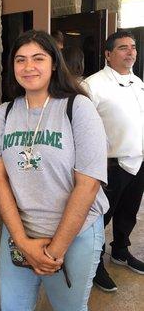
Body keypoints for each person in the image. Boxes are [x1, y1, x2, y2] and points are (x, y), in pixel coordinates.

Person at [0, 30, 109, 311]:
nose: (28, 67)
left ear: (54, 63)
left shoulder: (78, 108)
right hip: (19, 235)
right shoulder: (3, 114)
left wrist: (54, 251)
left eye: (38, 58)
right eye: (20, 60)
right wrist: (22, 242)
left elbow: (88, 185)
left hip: (74, 236)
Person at [83, 31, 144, 292]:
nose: (130, 52)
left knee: (128, 213)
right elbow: (83, 128)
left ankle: (120, 250)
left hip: (139, 160)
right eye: (122, 48)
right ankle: (94, 263)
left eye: (132, 47)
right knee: (100, 219)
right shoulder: (92, 85)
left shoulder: (138, 82)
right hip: (111, 164)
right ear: (108, 54)